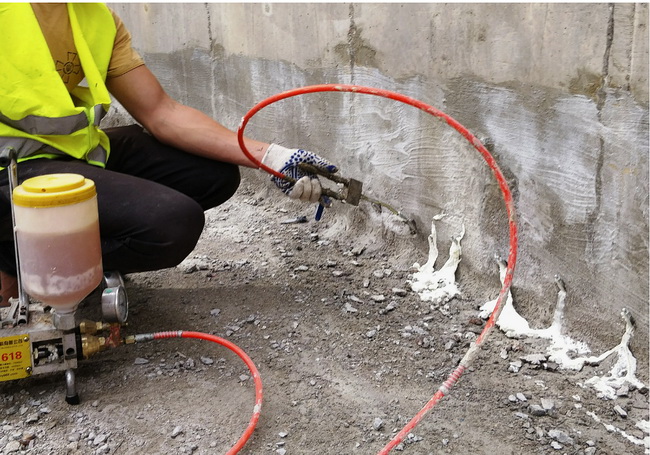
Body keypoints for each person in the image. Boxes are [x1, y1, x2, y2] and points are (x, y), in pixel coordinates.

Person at [0, 3, 337, 305]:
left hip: (75, 154)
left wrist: (270, 157)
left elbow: (162, 112)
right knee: (173, 224)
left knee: (212, 174)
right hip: (11, 170)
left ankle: (64, 251)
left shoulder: (96, 18)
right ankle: (24, 262)